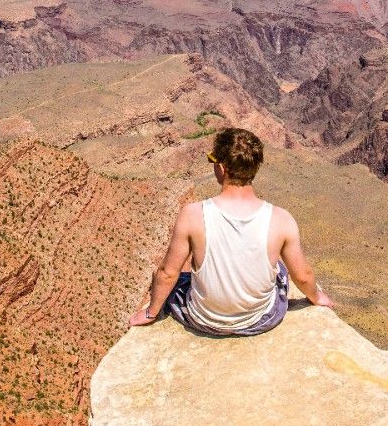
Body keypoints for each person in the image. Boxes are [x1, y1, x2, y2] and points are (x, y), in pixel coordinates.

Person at [129, 127, 334, 336]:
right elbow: (302, 276)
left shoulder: (192, 214)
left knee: (181, 279)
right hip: (261, 319)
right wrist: (317, 297)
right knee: (280, 269)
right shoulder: (282, 219)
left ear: (222, 168)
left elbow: (167, 273)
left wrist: (151, 313)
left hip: (203, 319)